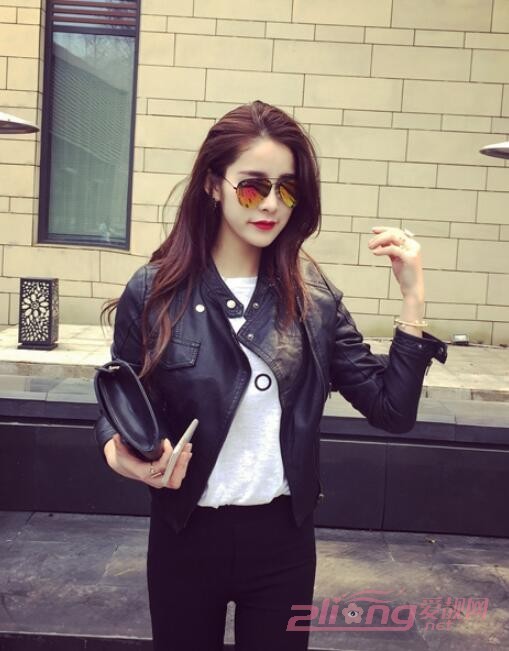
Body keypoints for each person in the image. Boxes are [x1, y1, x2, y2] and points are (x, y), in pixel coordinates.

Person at [94, 100, 447, 651]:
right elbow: (118, 406)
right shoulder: (156, 290)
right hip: (185, 536)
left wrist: (413, 298)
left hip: (282, 544)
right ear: (213, 185)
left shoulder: (313, 300)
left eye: (287, 189)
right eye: (252, 187)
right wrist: (127, 460)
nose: (271, 204)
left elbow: (393, 410)